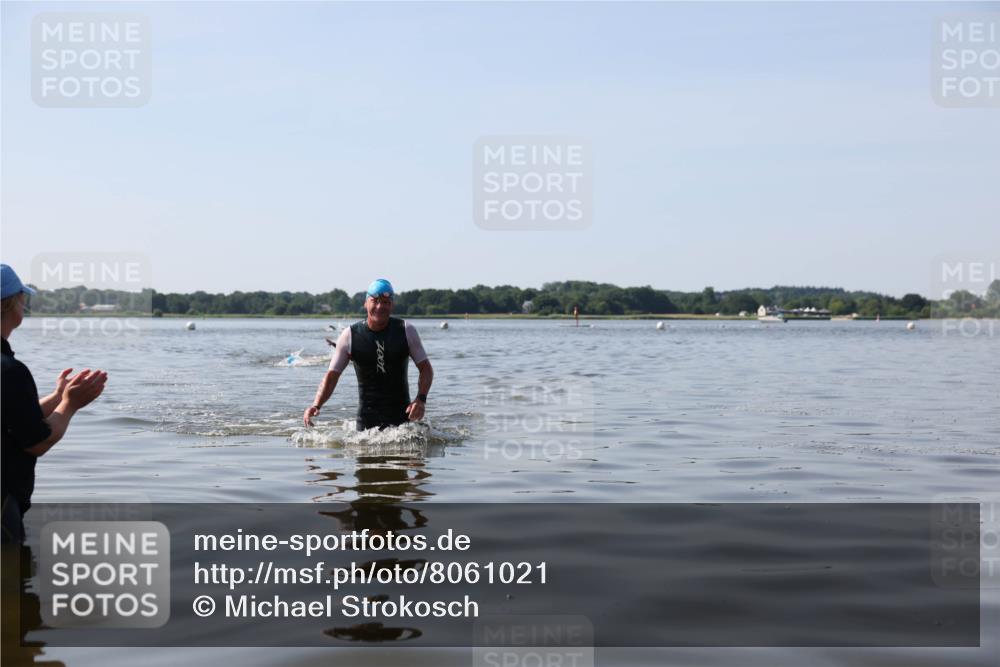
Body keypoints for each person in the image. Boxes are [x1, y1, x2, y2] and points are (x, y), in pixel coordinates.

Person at [1, 264, 107, 544]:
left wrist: (57, 398)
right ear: (13, 304)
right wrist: (71, 404)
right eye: (23, 298)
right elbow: (36, 441)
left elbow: (11, 419)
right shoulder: (9, 371)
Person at [304, 279, 433, 431]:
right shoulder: (350, 335)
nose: (380, 306)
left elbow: (425, 368)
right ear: (366, 303)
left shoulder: (405, 330)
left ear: (392, 305)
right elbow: (332, 376)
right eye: (375, 301)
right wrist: (316, 404)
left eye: (385, 302)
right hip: (366, 425)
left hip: (403, 422)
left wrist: (421, 399)